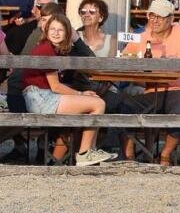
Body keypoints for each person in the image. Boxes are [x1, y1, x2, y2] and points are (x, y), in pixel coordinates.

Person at [21, 13, 115, 166]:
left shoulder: (56, 49)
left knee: (95, 101)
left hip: (43, 96)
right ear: (46, 31)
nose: (56, 33)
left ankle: (89, 150)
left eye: (60, 30)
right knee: (98, 104)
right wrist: (80, 93)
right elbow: (55, 86)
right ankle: (85, 153)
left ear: (68, 33)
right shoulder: (46, 49)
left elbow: (91, 61)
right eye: (52, 29)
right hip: (39, 98)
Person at [119, 0, 180, 165]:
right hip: (152, 91)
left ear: (171, 19)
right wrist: (140, 79)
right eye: (152, 15)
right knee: (123, 107)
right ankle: (129, 156)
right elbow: (124, 63)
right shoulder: (141, 37)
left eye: (160, 16)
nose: (154, 20)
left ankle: (165, 154)